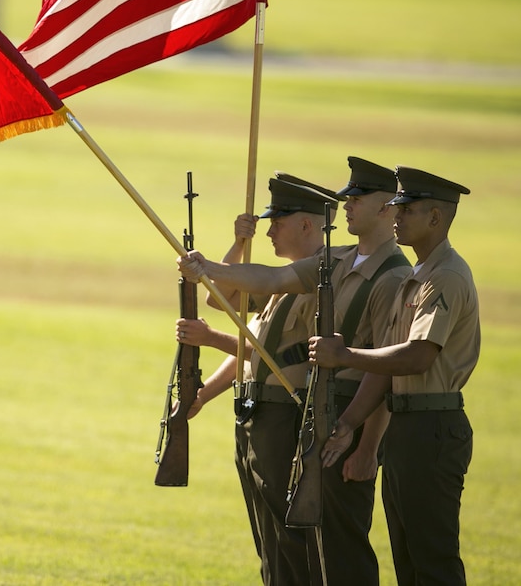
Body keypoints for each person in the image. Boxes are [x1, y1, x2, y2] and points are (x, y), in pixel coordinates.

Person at [179, 158, 413, 586]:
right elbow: (264, 282)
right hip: (317, 416)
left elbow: (389, 369)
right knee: (287, 546)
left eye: (357, 199)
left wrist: (366, 446)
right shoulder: (335, 263)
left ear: (386, 208)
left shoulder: (394, 276)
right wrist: (209, 265)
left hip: (339, 415)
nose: (347, 206)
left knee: (335, 547)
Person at [309, 167, 479, 586]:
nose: (396, 215)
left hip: (432, 428)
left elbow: (417, 357)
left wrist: (345, 353)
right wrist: (349, 424)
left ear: (436, 219)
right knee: (408, 558)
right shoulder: (417, 278)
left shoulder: (445, 277)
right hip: (406, 427)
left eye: (407, 209)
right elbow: (384, 369)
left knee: (432, 558)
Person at [177, 175, 339, 585]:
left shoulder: (320, 282)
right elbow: (222, 298)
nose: (269, 231)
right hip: (256, 413)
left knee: (287, 539)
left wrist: (212, 339)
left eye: (277, 222)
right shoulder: (283, 280)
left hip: (284, 416)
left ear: (306, 225)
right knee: (267, 540)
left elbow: (272, 359)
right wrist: (238, 244)